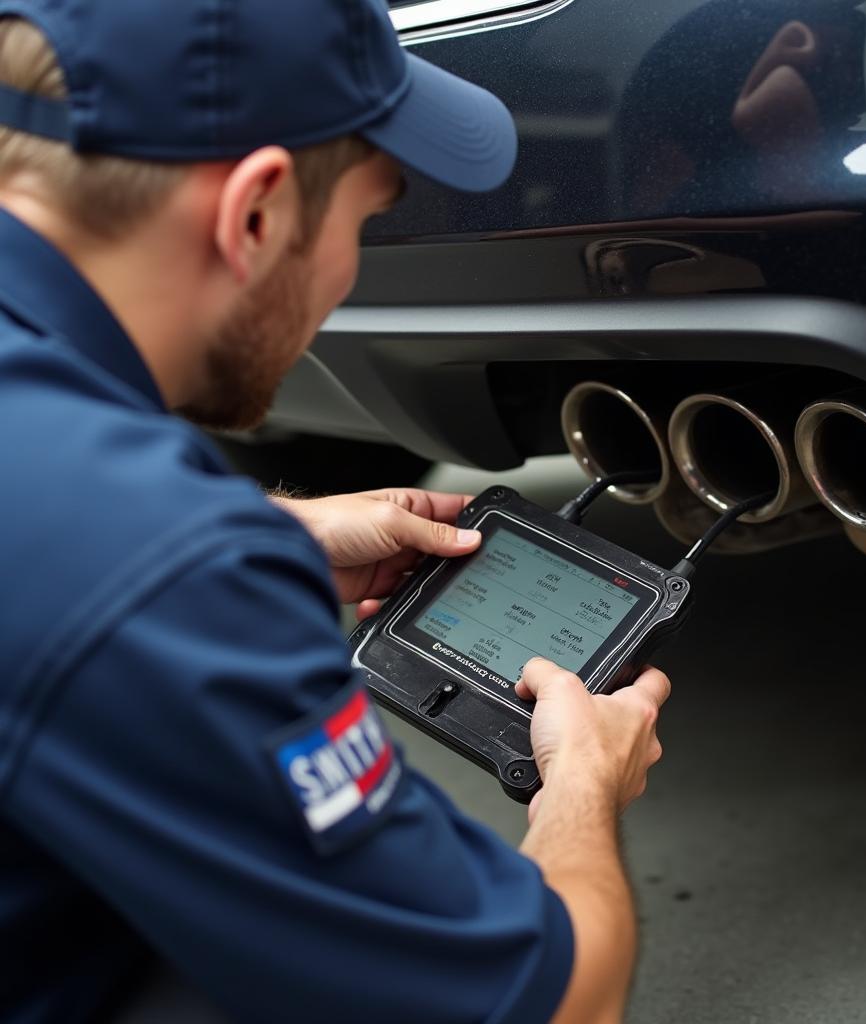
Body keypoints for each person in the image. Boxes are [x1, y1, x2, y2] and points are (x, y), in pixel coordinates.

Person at [0, 2, 670, 1022]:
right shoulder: (146, 556)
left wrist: (266, 537)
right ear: (257, 213)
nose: (350, 262)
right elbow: (555, 999)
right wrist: (582, 782)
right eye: (363, 217)